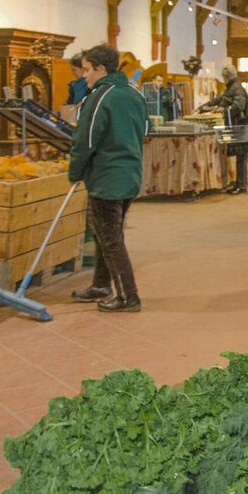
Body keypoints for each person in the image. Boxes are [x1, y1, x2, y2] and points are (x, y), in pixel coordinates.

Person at [69, 43, 148, 312]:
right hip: (130, 175)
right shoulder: (133, 94)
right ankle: (101, 284)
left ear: (101, 69)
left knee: (110, 238)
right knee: (106, 232)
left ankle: (129, 296)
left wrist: (75, 171)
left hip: (107, 177)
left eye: (88, 70)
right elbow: (144, 130)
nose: (84, 75)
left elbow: (86, 139)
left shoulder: (100, 96)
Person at [199, 65, 248, 194]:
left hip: (241, 125)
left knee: (241, 156)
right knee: (240, 155)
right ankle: (239, 184)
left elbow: (238, 106)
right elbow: (219, 99)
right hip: (239, 125)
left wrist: (223, 109)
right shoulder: (233, 88)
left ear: (226, 77)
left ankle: (241, 186)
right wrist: (204, 107)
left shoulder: (236, 88)